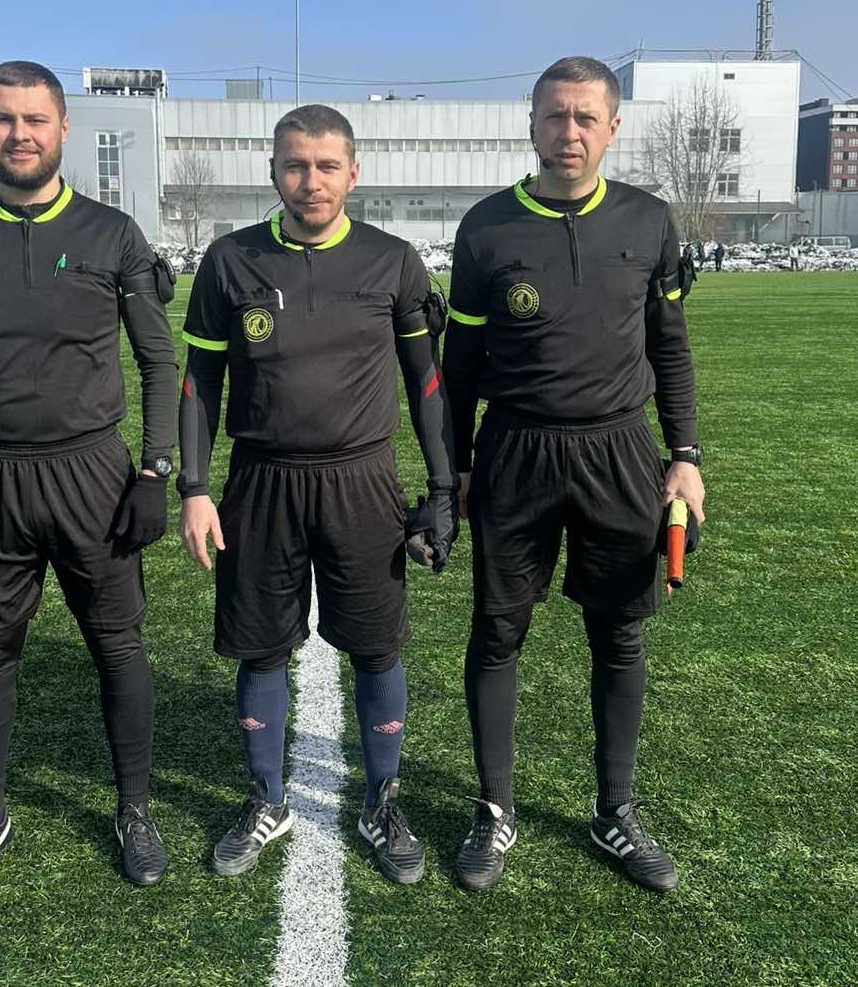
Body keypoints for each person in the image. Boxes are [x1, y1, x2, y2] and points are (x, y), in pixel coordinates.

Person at [0, 60, 178, 900]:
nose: (17, 134)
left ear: (61, 128)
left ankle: (134, 809)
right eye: (1, 119)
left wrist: (155, 469)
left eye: (33, 119)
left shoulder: (112, 233)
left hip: (92, 473)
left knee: (117, 644)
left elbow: (159, 362)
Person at [443, 56, 704, 896]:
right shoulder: (486, 228)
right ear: (531, 124)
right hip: (515, 450)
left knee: (618, 632)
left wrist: (685, 458)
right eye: (554, 116)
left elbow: (669, 348)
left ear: (611, 127)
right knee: (497, 633)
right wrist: (453, 473)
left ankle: (614, 809)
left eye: (585, 117)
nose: (569, 132)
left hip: (618, 451)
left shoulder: (648, 220)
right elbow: (460, 363)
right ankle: (493, 809)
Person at [177, 104, 457, 885]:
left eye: (327, 165)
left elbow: (428, 386)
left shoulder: (392, 261)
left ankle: (381, 799)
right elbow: (198, 382)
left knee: (374, 646)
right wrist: (194, 487)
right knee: (261, 645)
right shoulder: (228, 260)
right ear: (273, 171)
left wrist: (442, 489)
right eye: (295, 165)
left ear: (352, 173)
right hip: (259, 480)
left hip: (361, 481)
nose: (311, 181)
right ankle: (266, 796)